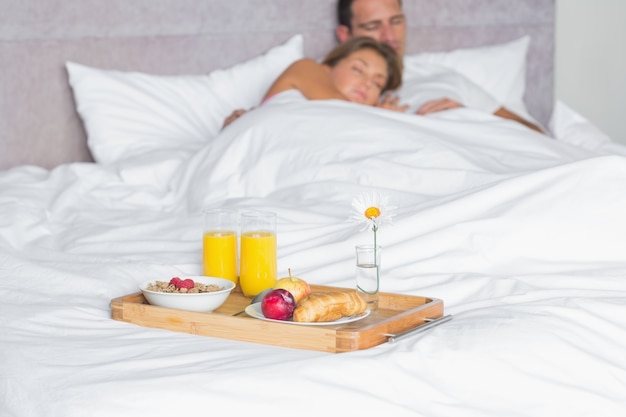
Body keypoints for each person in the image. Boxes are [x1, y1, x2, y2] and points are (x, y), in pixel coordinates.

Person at [335, 0, 544, 133]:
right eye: (373, 26)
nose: (389, 37)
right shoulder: (329, 78)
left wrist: (474, 117)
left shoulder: (444, 77)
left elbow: (537, 136)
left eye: (396, 21)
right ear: (345, 35)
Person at [223, 36, 405, 128]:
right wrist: (382, 120)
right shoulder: (306, 68)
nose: (367, 83)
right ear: (326, 68)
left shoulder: (367, 122)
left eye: (377, 84)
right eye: (358, 69)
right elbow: (340, 112)